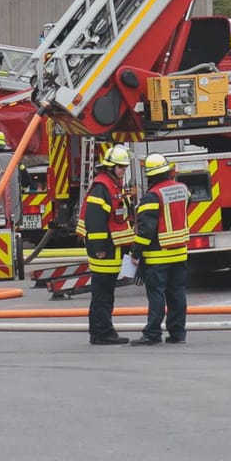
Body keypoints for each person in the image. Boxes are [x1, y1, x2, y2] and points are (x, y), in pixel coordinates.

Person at [129, 153, 190, 347]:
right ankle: (178, 333)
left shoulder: (152, 196)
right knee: (177, 294)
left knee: (156, 295)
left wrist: (135, 253)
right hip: (180, 252)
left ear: (150, 175)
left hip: (158, 255)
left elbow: (146, 230)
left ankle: (153, 333)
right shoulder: (182, 189)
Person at [80, 144, 133, 346]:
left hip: (111, 248)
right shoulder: (101, 187)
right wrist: (100, 248)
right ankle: (103, 332)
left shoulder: (111, 185)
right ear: (110, 167)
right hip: (104, 250)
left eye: (124, 168)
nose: (123, 171)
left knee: (103, 292)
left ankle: (99, 331)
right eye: (121, 167)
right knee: (103, 294)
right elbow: (95, 221)